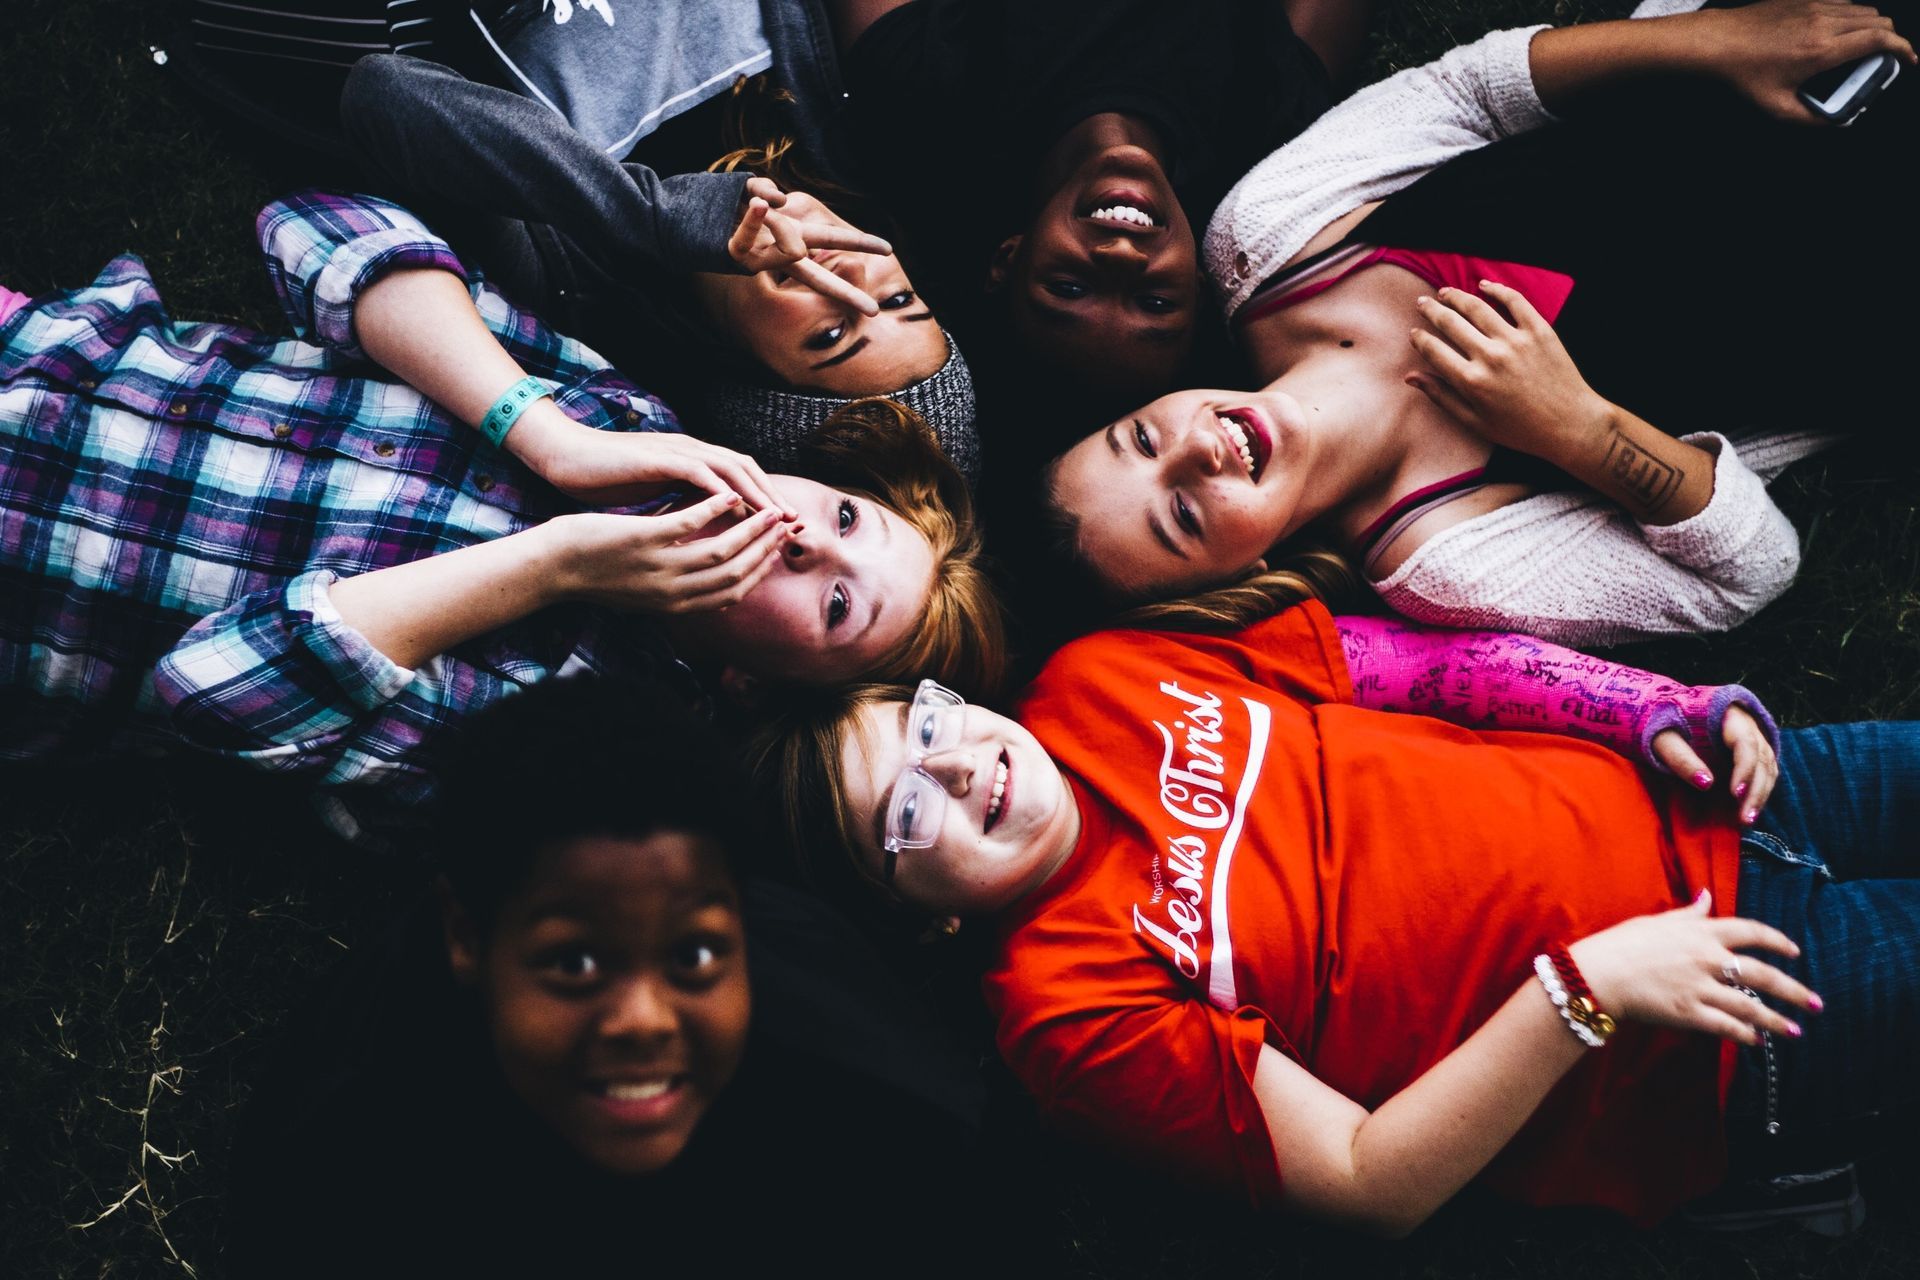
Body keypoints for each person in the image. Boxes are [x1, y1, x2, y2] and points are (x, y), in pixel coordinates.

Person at [753, 600, 1920, 1231]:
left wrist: (1647, 702)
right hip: (1713, 1018)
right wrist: (1589, 991)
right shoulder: (1069, 1013)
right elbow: (1369, 1184)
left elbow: (1402, 669)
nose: (954, 765)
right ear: (920, 921)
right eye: (904, 813)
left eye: (924, 723)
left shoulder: (1096, 676)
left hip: (1739, 792)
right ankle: (1774, 1172)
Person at [0, 190, 1002, 846]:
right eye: (841, 514)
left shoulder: (563, 717)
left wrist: (555, 564)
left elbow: (207, 691)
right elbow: (314, 231)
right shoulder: (624, 420)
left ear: (750, 683)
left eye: (835, 601)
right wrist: (543, 431)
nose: (806, 537)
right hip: (50, 355)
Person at [1045, 0, 1916, 647]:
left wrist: (1722, 40)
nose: (1197, 452)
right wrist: (1579, 429)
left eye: (1142, 442)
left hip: (1777, 78)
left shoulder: (1265, 240)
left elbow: (1472, 93)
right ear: (1244, 579)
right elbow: (1751, 571)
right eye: (1186, 516)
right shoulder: (1449, 562)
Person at [228, 674, 989, 1275]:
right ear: (465, 937)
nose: (643, 1020)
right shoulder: (343, 1162)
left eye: (694, 957)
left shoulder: (888, 1124)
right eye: (575, 964)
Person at [339, 48, 981, 480]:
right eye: (900, 302)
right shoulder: (838, 123)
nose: (855, 286)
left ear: (745, 372)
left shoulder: (565, 274)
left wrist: (661, 221)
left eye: (831, 336)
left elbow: (385, 92)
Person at [823, 0, 1370, 418]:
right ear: (1199, 285)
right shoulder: (1269, 137)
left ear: (1009, 259)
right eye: (1155, 302)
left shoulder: (922, 107)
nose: (1121, 255)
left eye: (1068, 288)